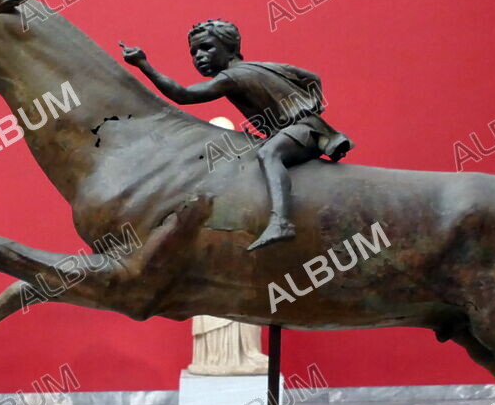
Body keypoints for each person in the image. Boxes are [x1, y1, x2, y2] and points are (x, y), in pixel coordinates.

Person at [120, 19, 352, 250]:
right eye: (194, 52)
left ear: (230, 48)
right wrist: (311, 105)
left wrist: (143, 65)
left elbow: (183, 95)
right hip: (301, 126)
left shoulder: (232, 77)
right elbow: (312, 77)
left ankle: (280, 222)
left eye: (207, 47)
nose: (199, 56)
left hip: (305, 129)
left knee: (268, 154)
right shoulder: (264, 66)